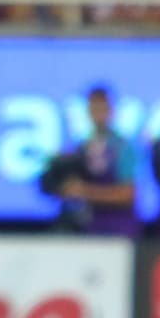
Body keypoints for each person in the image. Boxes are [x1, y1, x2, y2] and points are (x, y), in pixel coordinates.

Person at [49, 85, 138, 236]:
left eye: (102, 108)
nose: (98, 114)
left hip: (119, 228)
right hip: (91, 228)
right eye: (94, 108)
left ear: (111, 110)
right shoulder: (82, 148)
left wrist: (85, 191)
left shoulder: (122, 148)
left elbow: (128, 194)